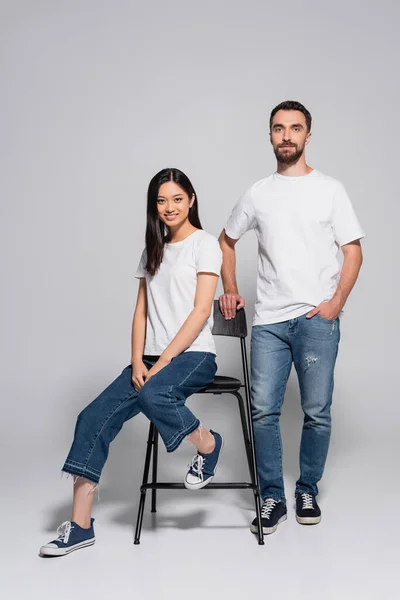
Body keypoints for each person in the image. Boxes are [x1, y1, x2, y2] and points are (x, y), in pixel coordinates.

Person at [40, 168, 223, 556]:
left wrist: (161, 364)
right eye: (161, 200)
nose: (169, 207)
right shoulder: (151, 250)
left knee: (156, 394)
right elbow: (141, 311)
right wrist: (136, 360)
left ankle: (208, 446)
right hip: (151, 359)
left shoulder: (205, 245)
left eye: (177, 198)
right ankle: (80, 526)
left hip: (193, 355)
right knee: (91, 417)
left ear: (191, 199)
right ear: (153, 207)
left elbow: (201, 310)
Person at [218, 101, 364, 535]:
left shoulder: (331, 190)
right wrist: (230, 288)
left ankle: (307, 489)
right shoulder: (259, 192)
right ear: (270, 136)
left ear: (308, 136)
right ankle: (271, 498)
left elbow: (353, 249)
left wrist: (336, 301)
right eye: (279, 129)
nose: (287, 136)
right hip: (269, 324)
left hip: (318, 320)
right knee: (264, 411)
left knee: (317, 411)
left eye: (295, 128)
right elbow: (226, 241)